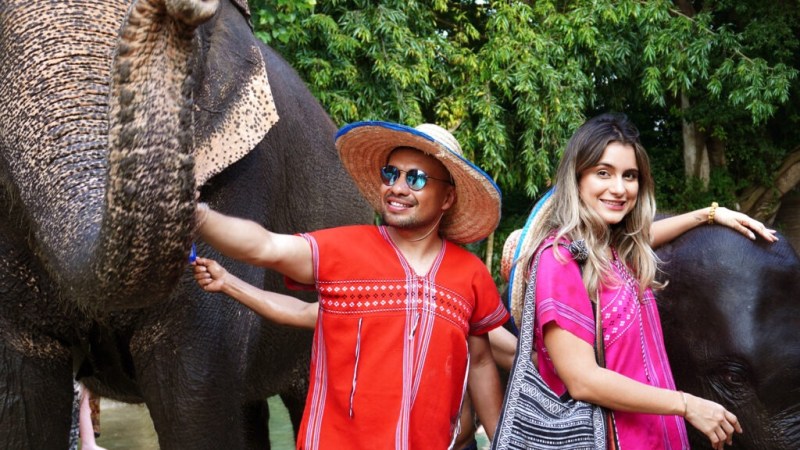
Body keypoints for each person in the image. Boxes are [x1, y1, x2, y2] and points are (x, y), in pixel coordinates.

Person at [193, 121, 510, 449]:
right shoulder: (342, 248)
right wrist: (198, 216)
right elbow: (265, 246)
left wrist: (504, 441)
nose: (398, 188)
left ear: (447, 197)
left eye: (415, 178)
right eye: (391, 174)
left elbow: (482, 361)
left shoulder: (471, 275)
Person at [500, 112, 777, 450]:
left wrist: (710, 214)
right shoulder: (560, 261)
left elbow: (644, 234)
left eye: (629, 176)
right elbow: (582, 380)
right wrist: (686, 404)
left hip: (655, 437)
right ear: (577, 178)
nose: (619, 189)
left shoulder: (612, 250)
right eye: (604, 173)